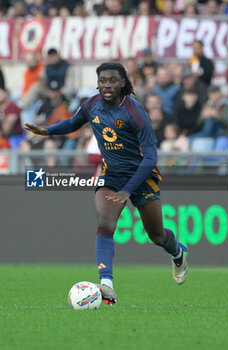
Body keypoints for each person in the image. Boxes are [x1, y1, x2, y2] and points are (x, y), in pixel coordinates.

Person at [25, 62, 188, 305]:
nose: (107, 85)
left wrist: (127, 190)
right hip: (111, 175)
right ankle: (106, 285)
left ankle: (178, 253)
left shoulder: (135, 112)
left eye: (112, 80)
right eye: (103, 81)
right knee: (105, 222)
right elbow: (73, 123)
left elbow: (151, 157)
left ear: (123, 82)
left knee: (156, 235)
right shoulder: (92, 105)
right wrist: (47, 131)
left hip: (142, 176)